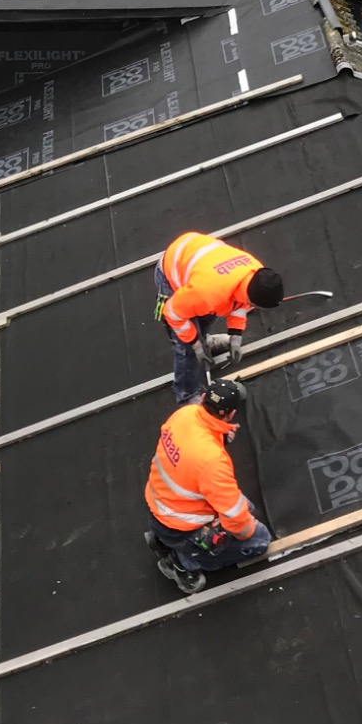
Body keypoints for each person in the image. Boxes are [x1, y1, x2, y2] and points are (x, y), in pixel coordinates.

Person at [144, 379, 272, 594]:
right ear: (230, 414)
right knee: (259, 540)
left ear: (203, 399)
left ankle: (162, 539)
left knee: (244, 507)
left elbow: (189, 446)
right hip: (181, 526)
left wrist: (219, 436)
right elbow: (234, 517)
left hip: (157, 504)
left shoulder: (184, 414)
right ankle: (182, 561)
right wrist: (246, 531)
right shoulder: (212, 461)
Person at [154, 230, 284, 402]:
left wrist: (236, 334)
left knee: (207, 314)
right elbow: (174, 315)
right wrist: (195, 344)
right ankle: (186, 395)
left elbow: (240, 304)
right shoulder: (206, 293)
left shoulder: (256, 274)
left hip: (200, 264)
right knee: (185, 348)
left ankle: (205, 339)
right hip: (173, 270)